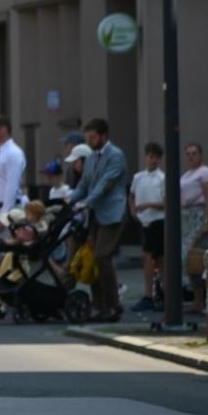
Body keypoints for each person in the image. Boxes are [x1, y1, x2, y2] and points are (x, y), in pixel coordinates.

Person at [69, 118, 128, 322]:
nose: (90, 141)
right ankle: (98, 305)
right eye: (88, 138)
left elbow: (106, 184)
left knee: (103, 255)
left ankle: (113, 305)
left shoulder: (116, 156)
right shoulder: (92, 158)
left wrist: (86, 201)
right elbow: (85, 183)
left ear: (103, 136)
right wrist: (71, 198)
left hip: (112, 213)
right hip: (95, 213)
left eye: (93, 137)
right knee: (92, 258)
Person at [179, 142, 208, 310]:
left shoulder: (206, 172)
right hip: (186, 216)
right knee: (187, 258)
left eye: (194, 153)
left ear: (200, 155)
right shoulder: (186, 175)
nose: (191, 157)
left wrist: (206, 221)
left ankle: (202, 299)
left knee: (196, 256)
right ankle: (197, 300)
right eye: (188, 154)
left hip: (199, 214)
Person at [129, 143, 166, 312]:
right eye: (149, 156)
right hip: (144, 221)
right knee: (155, 259)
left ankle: (153, 295)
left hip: (158, 220)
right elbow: (132, 195)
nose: (152, 160)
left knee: (152, 257)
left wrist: (147, 205)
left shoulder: (162, 178)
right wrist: (133, 211)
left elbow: (165, 203)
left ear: (159, 159)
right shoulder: (138, 177)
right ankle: (156, 294)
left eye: (155, 157)